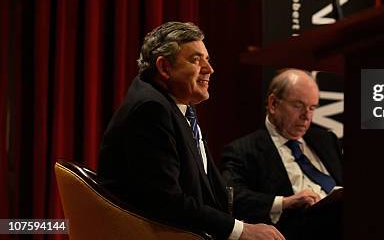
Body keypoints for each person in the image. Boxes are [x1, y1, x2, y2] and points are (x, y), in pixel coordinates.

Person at [98, 22, 284, 240]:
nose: (209, 69)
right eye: (196, 60)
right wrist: (240, 231)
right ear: (165, 67)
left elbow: (210, 189)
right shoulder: (151, 109)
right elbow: (166, 201)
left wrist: (248, 222)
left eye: (207, 59)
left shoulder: (176, 105)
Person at [221, 69, 343, 240]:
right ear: (273, 104)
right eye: (298, 105)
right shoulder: (243, 150)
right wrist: (284, 202)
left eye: (312, 108)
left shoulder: (326, 140)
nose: (306, 116)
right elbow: (232, 196)